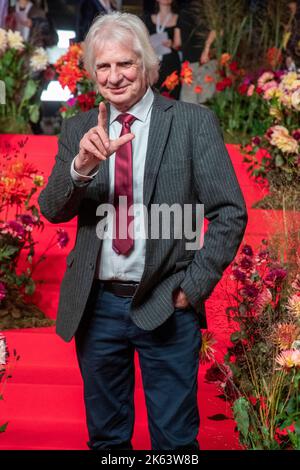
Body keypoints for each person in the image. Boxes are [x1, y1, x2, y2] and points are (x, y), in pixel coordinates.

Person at [39, 12, 248, 451]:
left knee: (174, 443)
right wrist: (81, 168)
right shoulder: (80, 130)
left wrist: (193, 287)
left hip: (166, 302)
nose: (114, 77)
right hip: (97, 309)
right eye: (103, 67)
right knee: (107, 441)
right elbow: (52, 209)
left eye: (125, 64)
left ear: (146, 64)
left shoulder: (192, 123)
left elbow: (229, 211)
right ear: (92, 72)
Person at [178, 0, 216, 104]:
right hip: (206, 60)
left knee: (187, 106)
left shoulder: (183, 11)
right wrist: (207, 48)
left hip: (188, 64)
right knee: (206, 103)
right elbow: (217, 30)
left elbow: (177, 42)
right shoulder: (210, 10)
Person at [143, 0, 182, 99]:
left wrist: (171, 44)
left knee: (172, 95)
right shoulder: (148, 19)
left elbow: (179, 44)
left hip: (171, 64)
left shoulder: (179, 18)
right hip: (153, 63)